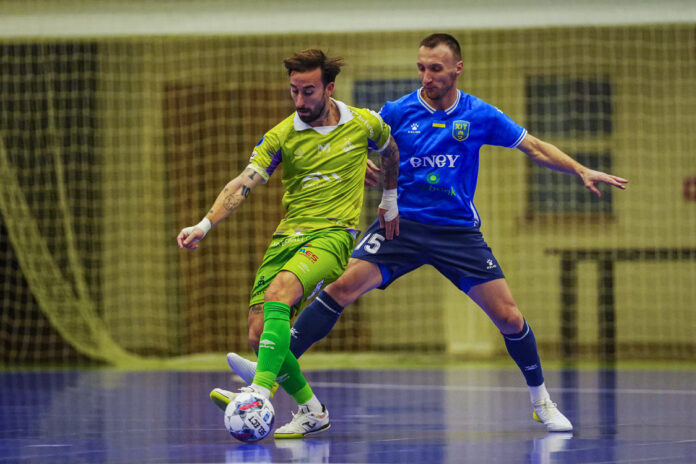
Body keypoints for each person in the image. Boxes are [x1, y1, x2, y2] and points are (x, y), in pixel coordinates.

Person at [222, 33, 630, 434]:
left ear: (457, 68)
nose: (426, 76)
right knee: (339, 289)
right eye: (421, 68)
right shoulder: (397, 111)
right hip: (400, 227)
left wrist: (580, 169)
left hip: (457, 232)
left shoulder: (479, 114)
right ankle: (265, 379)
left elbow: (534, 147)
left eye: (435, 68)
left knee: (508, 317)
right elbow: (354, 138)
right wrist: (362, 168)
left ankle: (542, 402)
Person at [178, 48, 400, 438]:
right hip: (287, 237)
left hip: (332, 235)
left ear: (329, 88)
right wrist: (204, 224)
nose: (299, 100)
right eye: (294, 90)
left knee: (279, 294)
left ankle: (258, 393)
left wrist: (389, 199)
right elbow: (242, 183)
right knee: (259, 333)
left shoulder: (364, 124)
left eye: (308, 91)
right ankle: (313, 411)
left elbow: (391, 151)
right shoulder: (282, 135)